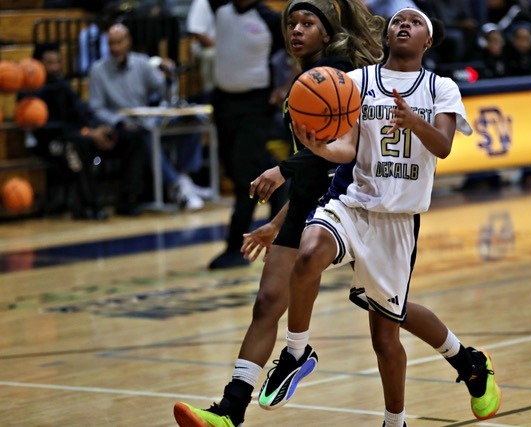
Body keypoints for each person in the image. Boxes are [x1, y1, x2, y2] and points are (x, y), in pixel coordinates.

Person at [173, 3, 501, 427]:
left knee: (387, 331)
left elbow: (443, 145)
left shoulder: (440, 87)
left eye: (414, 21)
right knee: (301, 262)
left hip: (396, 219)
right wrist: (319, 148)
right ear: (385, 35)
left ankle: (442, 383)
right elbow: (344, 151)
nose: (404, 25)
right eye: (398, 21)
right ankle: (283, 363)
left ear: (429, 39)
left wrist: (411, 121)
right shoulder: (356, 82)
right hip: (348, 202)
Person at [89, 23, 210, 213]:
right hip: (123, 127)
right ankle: (176, 184)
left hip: (148, 120)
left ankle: (184, 177)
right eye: (111, 43)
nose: (115, 48)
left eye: (119, 42)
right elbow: (96, 108)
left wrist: (168, 77)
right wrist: (118, 121)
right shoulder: (98, 70)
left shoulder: (142, 63)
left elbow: (164, 92)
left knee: (192, 121)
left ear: (128, 42)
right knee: (145, 135)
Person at [206, 0, 291, 269]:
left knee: (245, 176)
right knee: (235, 168)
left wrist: (285, 87)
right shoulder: (220, 8)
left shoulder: (269, 18)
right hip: (222, 103)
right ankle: (280, 189)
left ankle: (236, 247)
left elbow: (297, 53)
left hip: (255, 105)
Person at [28, 43, 143, 220]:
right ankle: (87, 206)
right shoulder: (30, 91)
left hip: (83, 136)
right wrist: (87, 133)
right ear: (37, 64)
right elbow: (46, 128)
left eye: (57, 62)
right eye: (49, 63)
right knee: (76, 145)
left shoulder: (62, 84)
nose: (55, 68)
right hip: (52, 143)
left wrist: (98, 128)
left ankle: (128, 199)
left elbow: (81, 111)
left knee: (131, 137)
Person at [186, 0, 217, 103]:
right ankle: (209, 97)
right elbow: (197, 32)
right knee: (211, 55)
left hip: (227, 48)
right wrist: (220, 48)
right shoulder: (202, 2)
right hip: (204, 48)